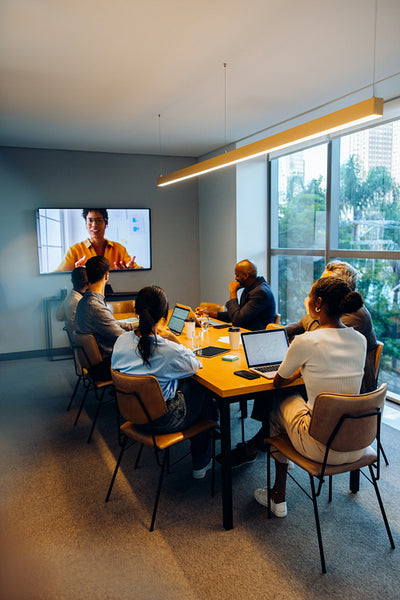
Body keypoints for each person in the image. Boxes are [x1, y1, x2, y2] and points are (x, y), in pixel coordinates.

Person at [254, 276, 366, 517]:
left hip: (320, 448)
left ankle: (278, 495)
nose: (306, 299)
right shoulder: (360, 339)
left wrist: (299, 369)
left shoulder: (306, 341)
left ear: (318, 304)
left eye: (309, 295)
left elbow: (279, 380)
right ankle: (286, 457)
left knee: (279, 404)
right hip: (358, 442)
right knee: (303, 404)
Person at [112, 285, 215, 479]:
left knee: (181, 382)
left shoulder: (122, 340)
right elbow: (194, 365)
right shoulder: (167, 350)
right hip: (162, 421)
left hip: (133, 416)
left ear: (137, 312)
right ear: (164, 316)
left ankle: (206, 449)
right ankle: (202, 461)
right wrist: (172, 338)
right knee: (200, 388)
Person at [285, 261, 378, 393]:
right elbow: (301, 324)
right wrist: (277, 333)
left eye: (325, 282)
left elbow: (319, 339)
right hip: (329, 372)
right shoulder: (332, 307)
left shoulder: (355, 314)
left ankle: (261, 414)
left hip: (350, 390)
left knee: (280, 390)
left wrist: (311, 312)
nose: (319, 286)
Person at [74, 256, 136, 364]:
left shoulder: (85, 301)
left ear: (87, 275)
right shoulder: (95, 307)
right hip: (107, 365)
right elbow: (124, 338)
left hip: (101, 362)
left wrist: (142, 325)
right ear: (107, 275)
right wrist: (149, 333)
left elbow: (113, 324)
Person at [201, 259, 276, 331]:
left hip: (255, 337)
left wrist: (233, 293)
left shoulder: (260, 293)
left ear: (246, 276)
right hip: (245, 333)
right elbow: (237, 314)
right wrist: (209, 314)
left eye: (237, 275)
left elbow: (237, 320)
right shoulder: (251, 287)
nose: (235, 278)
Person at [56, 209, 141, 271]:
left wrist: (130, 271)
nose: (94, 225)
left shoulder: (119, 249)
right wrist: (76, 274)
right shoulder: (74, 250)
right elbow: (57, 275)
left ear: (106, 223)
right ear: (86, 224)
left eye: (99, 220)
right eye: (90, 221)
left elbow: (139, 270)